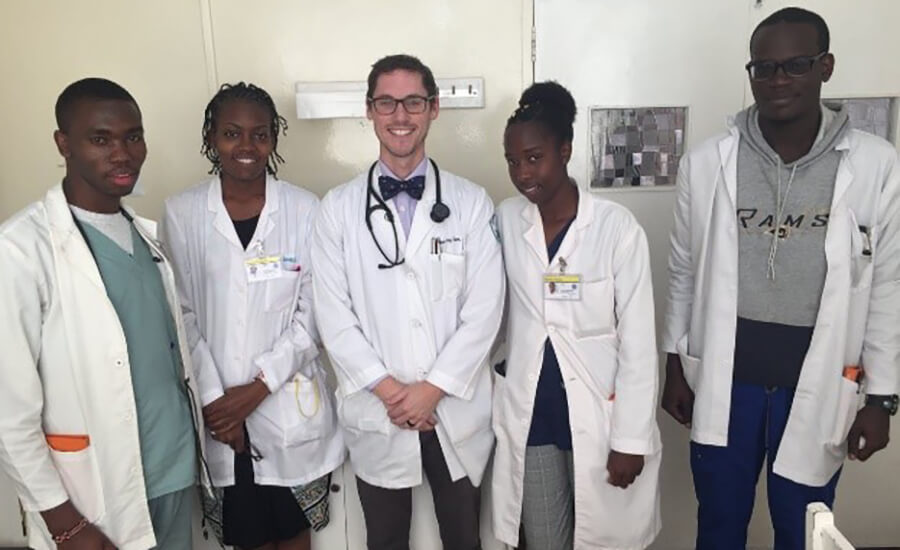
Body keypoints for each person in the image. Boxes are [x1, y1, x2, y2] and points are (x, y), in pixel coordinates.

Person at [661, 7, 900, 549]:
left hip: (818, 383)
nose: (778, 80)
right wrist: (674, 362)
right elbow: (682, 268)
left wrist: (882, 398)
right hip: (727, 381)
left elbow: (885, 284)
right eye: (763, 68)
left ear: (826, 67)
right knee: (720, 524)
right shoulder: (707, 162)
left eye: (796, 64)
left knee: (805, 528)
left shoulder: (874, 164)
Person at [0, 77, 207, 549]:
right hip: (93, 496)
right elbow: (8, 411)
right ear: (63, 143)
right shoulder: (22, 250)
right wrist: (64, 523)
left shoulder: (146, 237)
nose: (122, 153)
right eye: (101, 139)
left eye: (133, 137)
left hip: (171, 476)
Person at [311, 54, 504, 550]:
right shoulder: (336, 209)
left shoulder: (471, 201)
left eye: (413, 102)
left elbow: (485, 310)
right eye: (387, 102)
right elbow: (333, 315)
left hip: (452, 409)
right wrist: (393, 391)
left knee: (464, 538)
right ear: (370, 111)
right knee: (386, 540)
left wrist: (432, 390)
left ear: (434, 108)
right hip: (380, 410)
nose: (401, 115)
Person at [160, 82, 344, 550]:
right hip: (218, 412)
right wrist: (221, 403)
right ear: (211, 137)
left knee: (293, 535)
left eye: (259, 134)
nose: (246, 146)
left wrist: (259, 386)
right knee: (246, 538)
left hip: (287, 406)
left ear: (274, 140)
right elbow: (180, 313)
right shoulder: (182, 213)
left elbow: (315, 311)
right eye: (232, 133)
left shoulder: (305, 209)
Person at [491, 81, 661, 550]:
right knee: (546, 538)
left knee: (605, 539)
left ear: (564, 151)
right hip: (535, 413)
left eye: (533, 157)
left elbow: (640, 343)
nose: (523, 172)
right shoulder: (506, 220)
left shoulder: (615, 228)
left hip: (601, 412)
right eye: (512, 161)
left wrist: (632, 438)